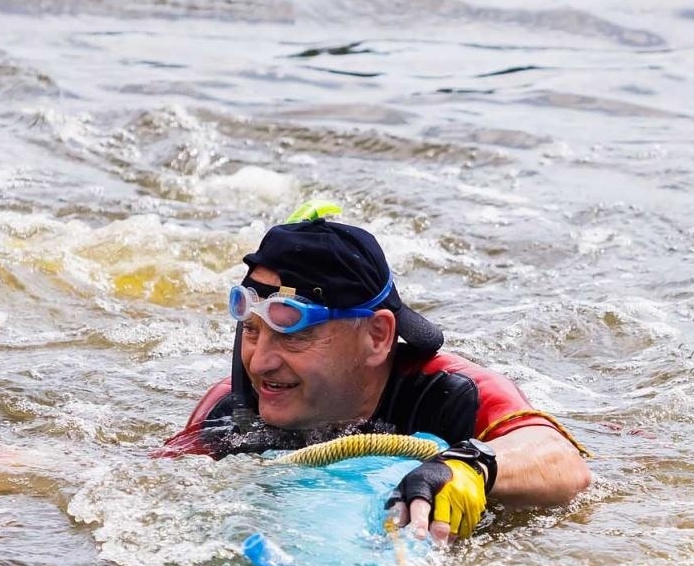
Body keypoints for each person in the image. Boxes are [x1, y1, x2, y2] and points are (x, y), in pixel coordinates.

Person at [159, 214, 592, 541]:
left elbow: (564, 463)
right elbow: (158, 492)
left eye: (294, 336)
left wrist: (471, 468)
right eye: (252, 331)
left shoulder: (451, 392)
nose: (260, 364)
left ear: (378, 336)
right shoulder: (230, 404)